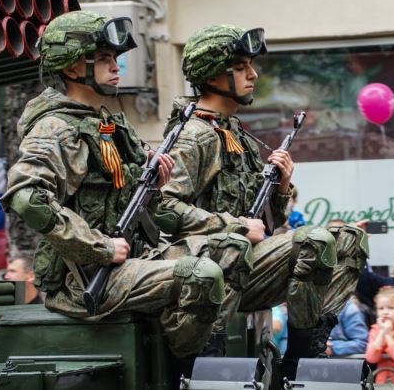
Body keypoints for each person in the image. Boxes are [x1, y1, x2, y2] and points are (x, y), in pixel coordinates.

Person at [0, 11, 225, 368]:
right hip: (86, 278)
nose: (117, 66)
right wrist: (99, 247)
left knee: (226, 251)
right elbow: (27, 197)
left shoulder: (106, 123)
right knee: (202, 275)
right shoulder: (56, 128)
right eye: (103, 58)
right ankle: (190, 371)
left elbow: (122, 200)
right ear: (73, 69)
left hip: (132, 259)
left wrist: (154, 185)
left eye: (115, 58)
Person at [153, 24, 369, 378]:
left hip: (245, 266)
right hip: (205, 277)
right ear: (211, 74)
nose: (252, 74)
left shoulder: (236, 134)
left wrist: (281, 187)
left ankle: (303, 355)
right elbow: (162, 208)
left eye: (249, 65)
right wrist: (234, 226)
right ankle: (210, 356)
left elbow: (267, 223)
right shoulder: (194, 137)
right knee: (313, 240)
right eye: (239, 67)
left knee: (348, 240)